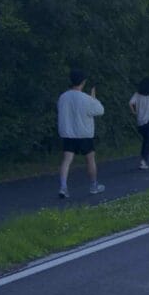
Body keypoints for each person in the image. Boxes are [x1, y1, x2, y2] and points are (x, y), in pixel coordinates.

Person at [57, 68, 105, 198]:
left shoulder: (63, 97)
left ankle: (63, 187)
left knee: (67, 160)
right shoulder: (86, 98)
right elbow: (100, 111)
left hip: (68, 134)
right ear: (83, 82)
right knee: (90, 159)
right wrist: (94, 98)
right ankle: (94, 185)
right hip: (84, 134)